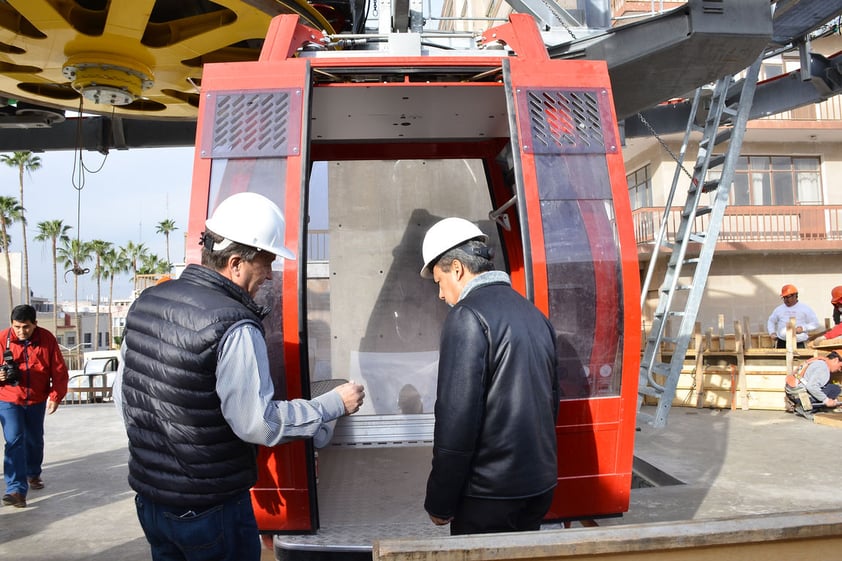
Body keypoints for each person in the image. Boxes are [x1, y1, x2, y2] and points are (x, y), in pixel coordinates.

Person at [114, 192, 365, 561]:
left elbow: (124, 398)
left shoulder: (147, 303)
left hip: (151, 501)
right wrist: (331, 405)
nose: (268, 276)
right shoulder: (232, 324)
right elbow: (257, 425)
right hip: (209, 509)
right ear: (235, 264)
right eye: (265, 264)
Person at [419, 217, 559, 535]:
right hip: (538, 488)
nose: (441, 295)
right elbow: (552, 404)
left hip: (488, 497)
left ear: (457, 269)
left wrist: (440, 502)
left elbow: (457, 421)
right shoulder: (535, 314)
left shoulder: (467, 316)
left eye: (439, 282)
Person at [0, 304, 68, 508]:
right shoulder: (3, 339)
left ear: (35, 324)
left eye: (26, 327)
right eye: (17, 327)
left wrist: (56, 395)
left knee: (34, 440)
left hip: (37, 400)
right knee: (14, 441)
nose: (21, 331)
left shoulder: (47, 339)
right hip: (9, 398)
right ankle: (15, 490)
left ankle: (33, 473)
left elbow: (59, 370)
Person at [784, 351, 841, 420]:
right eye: (841, 367)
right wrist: (826, 400)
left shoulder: (818, 361)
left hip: (792, 392)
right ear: (836, 360)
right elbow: (811, 387)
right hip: (800, 395)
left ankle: (801, 404)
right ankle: (806, 408)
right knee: (834, 389)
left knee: (830, 387)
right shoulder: (823, 368)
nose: (839, 370)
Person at [767, 284, 820, 349]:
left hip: (799, 343)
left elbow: (815, 324)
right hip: (782, 342)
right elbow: (771, 321)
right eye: (784, 297)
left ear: (795, 295)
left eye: (788, 297)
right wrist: (772, 332)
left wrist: (803, 328)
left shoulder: (805, 308)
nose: (786, 300)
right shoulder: (779, 309)